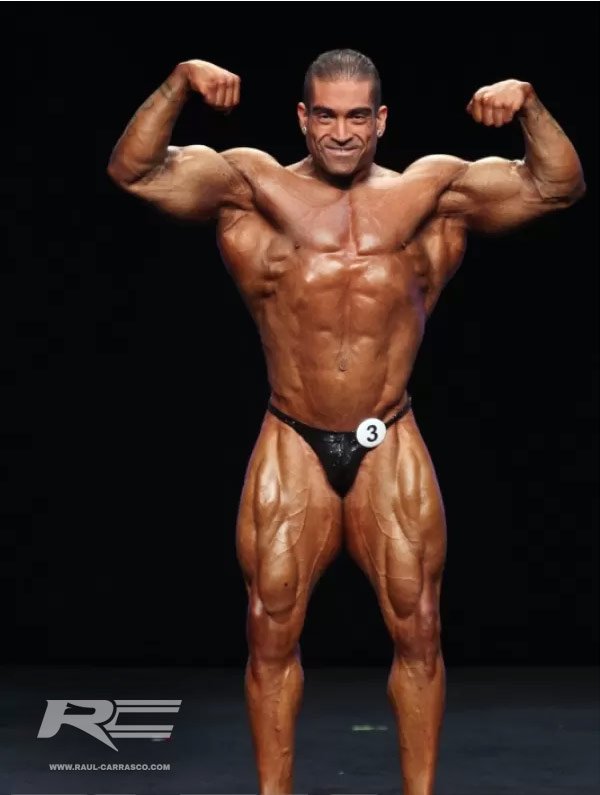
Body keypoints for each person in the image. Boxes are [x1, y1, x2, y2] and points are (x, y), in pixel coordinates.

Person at [107, 49, 585, 795]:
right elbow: (135, 172)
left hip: (387, 433)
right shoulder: (252, 185)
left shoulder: (431, 190)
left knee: (419, 628)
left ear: (381, 120)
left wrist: (528, 103)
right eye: (326, 115)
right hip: (292, 435)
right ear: (303, 117)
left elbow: (557, 185)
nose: (341, 132)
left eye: (357, 116)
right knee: (269, 629)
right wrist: (178, 83)